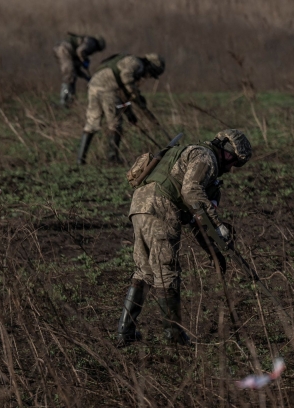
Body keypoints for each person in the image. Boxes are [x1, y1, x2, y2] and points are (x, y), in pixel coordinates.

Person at [115, 129, 252, 347]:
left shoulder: (186, 153)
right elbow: (191, 192)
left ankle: (125, 332)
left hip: (139, 206)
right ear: (227, 150)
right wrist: (218, 225)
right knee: (166, 271)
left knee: (145, 270)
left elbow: (196, 218)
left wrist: (214, 251)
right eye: (233, 161)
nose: (230, 168)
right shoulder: (205, 157)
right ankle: (174, 337)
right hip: (161, 209)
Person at [76, 53, 165, 165]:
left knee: (92, 122)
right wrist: (135, 94)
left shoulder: (128, 60)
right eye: (152, 73)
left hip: (94, 86)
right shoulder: (137, 63)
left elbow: (123, 95)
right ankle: (112, 158)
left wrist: (129, 113)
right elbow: (125, 79)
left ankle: (80, 159)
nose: (149, 76)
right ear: (151, 66)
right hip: (108, 89)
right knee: (115, 124)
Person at [52, 33, 106, 107]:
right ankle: (63, 101)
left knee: (73, 75)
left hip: (62, 49)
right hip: (64, 49)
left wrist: (87, 78)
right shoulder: (91, 42)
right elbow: (80, 51)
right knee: (69, 75)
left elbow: (78, 71)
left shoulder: (86, 42)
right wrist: (84, 61)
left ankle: (70, 99)